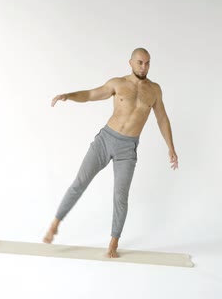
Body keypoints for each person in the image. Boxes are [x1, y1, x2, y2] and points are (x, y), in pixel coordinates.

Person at [43, 47, 178, 258]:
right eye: (140, 62)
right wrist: (68, 95)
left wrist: (171, 147)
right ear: (131, 63)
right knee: (80, 183)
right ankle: (55, 223)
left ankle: (113, 243)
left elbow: (162, 118)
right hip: (105, 141)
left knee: (120, 196)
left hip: (128, 148)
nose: (144, 67)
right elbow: (90, 94)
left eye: (148, 63)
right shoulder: (118, 83)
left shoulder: (154, 90)